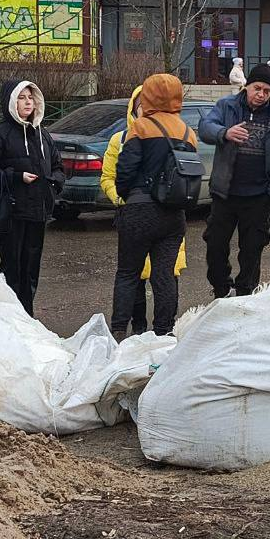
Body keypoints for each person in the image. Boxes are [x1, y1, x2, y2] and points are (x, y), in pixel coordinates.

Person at [111, 73, 198, 340]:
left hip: (139, 210)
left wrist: (126, 196)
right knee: (164, 276)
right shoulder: (188, 132)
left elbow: (125, 169)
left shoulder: (141, 127)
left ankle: (119, 332)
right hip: (173, 216)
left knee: (128, 272)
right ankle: (164, 332)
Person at [199, 63, 270, 298]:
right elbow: (205, 128)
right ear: (247, 86)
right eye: (257, 88)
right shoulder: (227, 106)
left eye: (267, 91)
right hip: (226, 193)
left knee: (252, 251)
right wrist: (225, 133)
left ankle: (245, 294)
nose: (261, 95)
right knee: (215, 246)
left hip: (259, 197)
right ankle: (221, 289)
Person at [0, 80, 64, 317]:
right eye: (22, 97)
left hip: (39, 211)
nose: (28, 102)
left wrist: (54, 183)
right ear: (11, 102)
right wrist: (15, 177)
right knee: (12, 269)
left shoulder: (42, 133)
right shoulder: (0, 133)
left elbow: (57, 166)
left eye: (30, 97)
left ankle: (27, 318)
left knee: (31, 269)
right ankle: (9, 318)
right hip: (12, 212)